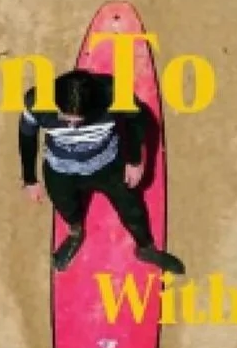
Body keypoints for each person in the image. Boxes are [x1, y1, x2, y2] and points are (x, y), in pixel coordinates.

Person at [21, 68, 184, 276]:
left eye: (78, 120)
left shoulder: (114, 93)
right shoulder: (36, 100)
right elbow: (27, 136)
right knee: (66, 207)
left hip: (108, 165)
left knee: (133, 209)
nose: (71, 125)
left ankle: (146, 249)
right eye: (65, 117)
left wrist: (135, 161)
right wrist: (29, 179)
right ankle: (75, 234)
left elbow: (138, 121)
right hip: (61, 169)